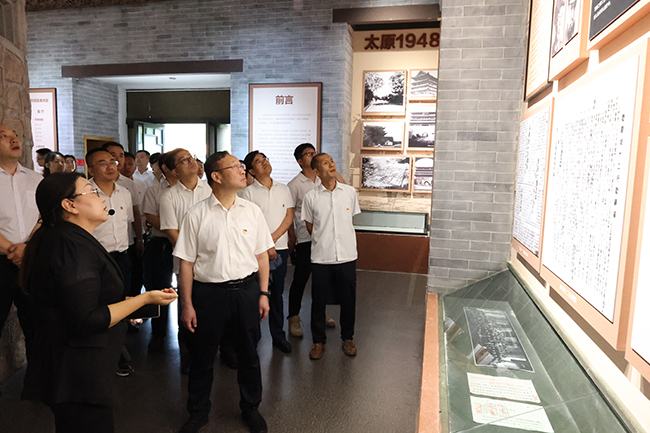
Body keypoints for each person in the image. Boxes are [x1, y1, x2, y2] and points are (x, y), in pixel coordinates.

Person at [20, 172, 177, 433]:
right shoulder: (70, 245)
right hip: (76, 372)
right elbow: (86, 319)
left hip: (79, 368)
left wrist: (129, 305)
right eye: (91, 191)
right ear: (69, 205)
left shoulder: (71, 237)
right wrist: (145, 297)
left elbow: (80, 299)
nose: (101, 196)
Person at [174, 151, 272, 433]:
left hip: (246, 292)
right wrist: (187, 304)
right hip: (209, 295)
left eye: (242, 166)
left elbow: (262, 256)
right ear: (216, 176)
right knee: (202, 356)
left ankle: (251, 408)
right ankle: (198, 412)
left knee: (249, 355)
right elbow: (186, 262)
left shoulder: (252, 211)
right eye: (235, 166)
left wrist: (263, 293)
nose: (243, 170)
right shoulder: (196, 214)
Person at [302, 153, 360, 360]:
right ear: (317, 172)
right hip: (321, 257)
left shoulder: (349, 192)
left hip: (347, 256)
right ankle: (319, 341)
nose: (331, 165)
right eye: (325, 163)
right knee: (318, 302)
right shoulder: (311, 197)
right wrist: (325, 239)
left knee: (348, 300)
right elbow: (310, 227)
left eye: (332, 161)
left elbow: (349, 220)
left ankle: (348, 338)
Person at [242, 151, 294, 353]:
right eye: (258, 161)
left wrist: (272, 240)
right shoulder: (248, 193)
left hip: (279, 249)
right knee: (256, 294)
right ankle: (253, 338)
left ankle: (278, 336)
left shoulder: (284, 188)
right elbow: (250, 223)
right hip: (256, 252)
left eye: (265, 159)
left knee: (277, 295)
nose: (264, 163)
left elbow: (288, 217)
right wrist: (265, 245)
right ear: (251, 171)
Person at [286, 143, 341, 337]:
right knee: (300, 279)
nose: (312, 155)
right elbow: (289, 213)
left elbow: (343, 188)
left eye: (314, 152)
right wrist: (291, 238)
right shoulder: (295, 185)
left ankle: (321, 311)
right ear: (300, 161)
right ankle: (293, 317)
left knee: (322, 279)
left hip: (325, 237)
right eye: (307, 154)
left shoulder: (323, 179)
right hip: (305, 238)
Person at [0, 124, 40, 350]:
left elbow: (44, 218)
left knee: (36, 327)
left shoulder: (35, 179)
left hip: (31, 260)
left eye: (15, 135)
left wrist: (28, 248)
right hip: (2, 261)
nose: (13, 139)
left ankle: (38, 373)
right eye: (3, 136)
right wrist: (12, 250)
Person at [142, 152, 178, 353]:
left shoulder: (198, 190)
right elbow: (150, 217)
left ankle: (188, 333)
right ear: (166, 168)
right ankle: (158, 334)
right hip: (162, 244)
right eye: (182, 162)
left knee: (190, 288)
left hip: (190, 243)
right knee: (161, 288)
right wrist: (174, 233)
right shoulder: (154, 191)